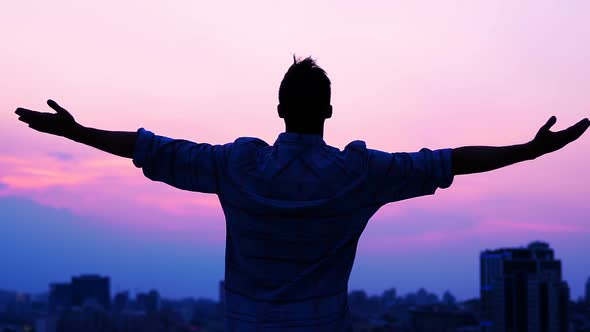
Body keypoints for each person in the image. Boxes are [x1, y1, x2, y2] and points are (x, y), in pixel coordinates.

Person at [14, 56, 589, 331]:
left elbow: (151, 148)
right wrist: (530, 151)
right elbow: (450, 162)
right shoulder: (359, 175)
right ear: (330, 112)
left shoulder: (237, 167)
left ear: (280, 111)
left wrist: (75, 132)